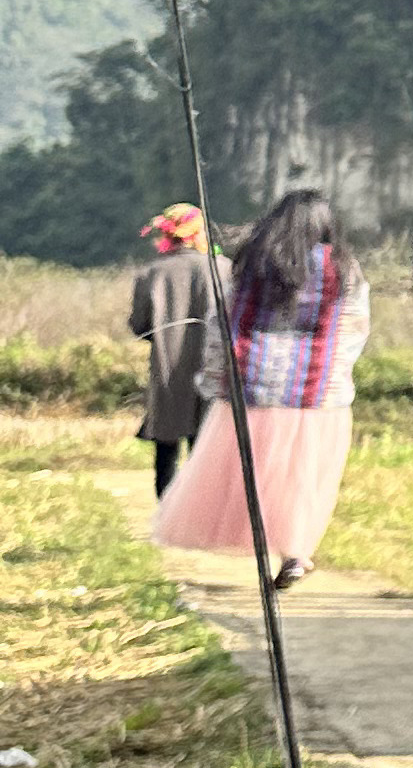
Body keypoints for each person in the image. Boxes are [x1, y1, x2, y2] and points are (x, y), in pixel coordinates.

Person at [151, 189, 369, 584]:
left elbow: (222, 323)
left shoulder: (253, 264)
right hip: (318, 394)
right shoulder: (343, 269)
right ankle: (295, 553)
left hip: (253, 389)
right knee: (303, 476)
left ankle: (267, 540)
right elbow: (353, 330)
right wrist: (337, 377)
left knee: (254, 474)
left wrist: (215, 380)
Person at [126, 204, 216, 498]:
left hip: (167, 370)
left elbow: (139, 326)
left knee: (167, 447)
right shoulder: (223, 270)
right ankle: (201, 509)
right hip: (213, 371)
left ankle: (166, 509)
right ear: (199, 232)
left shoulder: (151, 273)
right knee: (204, 447)